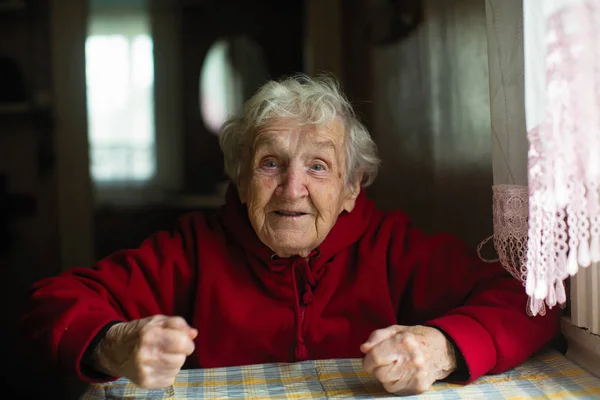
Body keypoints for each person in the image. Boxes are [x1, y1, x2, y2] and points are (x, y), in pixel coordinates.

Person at [21, 75, 560, 396]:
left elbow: (530, 302)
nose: (292, 188)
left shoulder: (394, 248)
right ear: (239, 177)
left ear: (352, 188)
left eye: (319, 167)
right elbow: (51, 303)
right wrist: (115, 345)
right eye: (270, 163)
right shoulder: (191, 250)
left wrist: (442, 349)